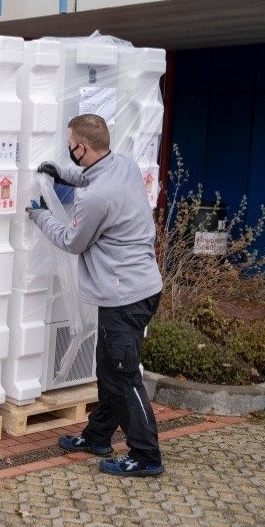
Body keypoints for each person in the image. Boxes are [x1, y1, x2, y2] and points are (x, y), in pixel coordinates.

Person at [27, 113, 164, 477]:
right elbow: (91, 175)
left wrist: (40, 216)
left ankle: (146, 455)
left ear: (82, 147)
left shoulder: (95, 199)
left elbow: (72, 242)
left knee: (123, 376)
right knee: (109, 370)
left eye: (69, 145)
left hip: (125, 296)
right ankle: (97, 437)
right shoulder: (123, 165)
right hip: (138, 287)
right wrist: (61, 173)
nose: (68, 149)